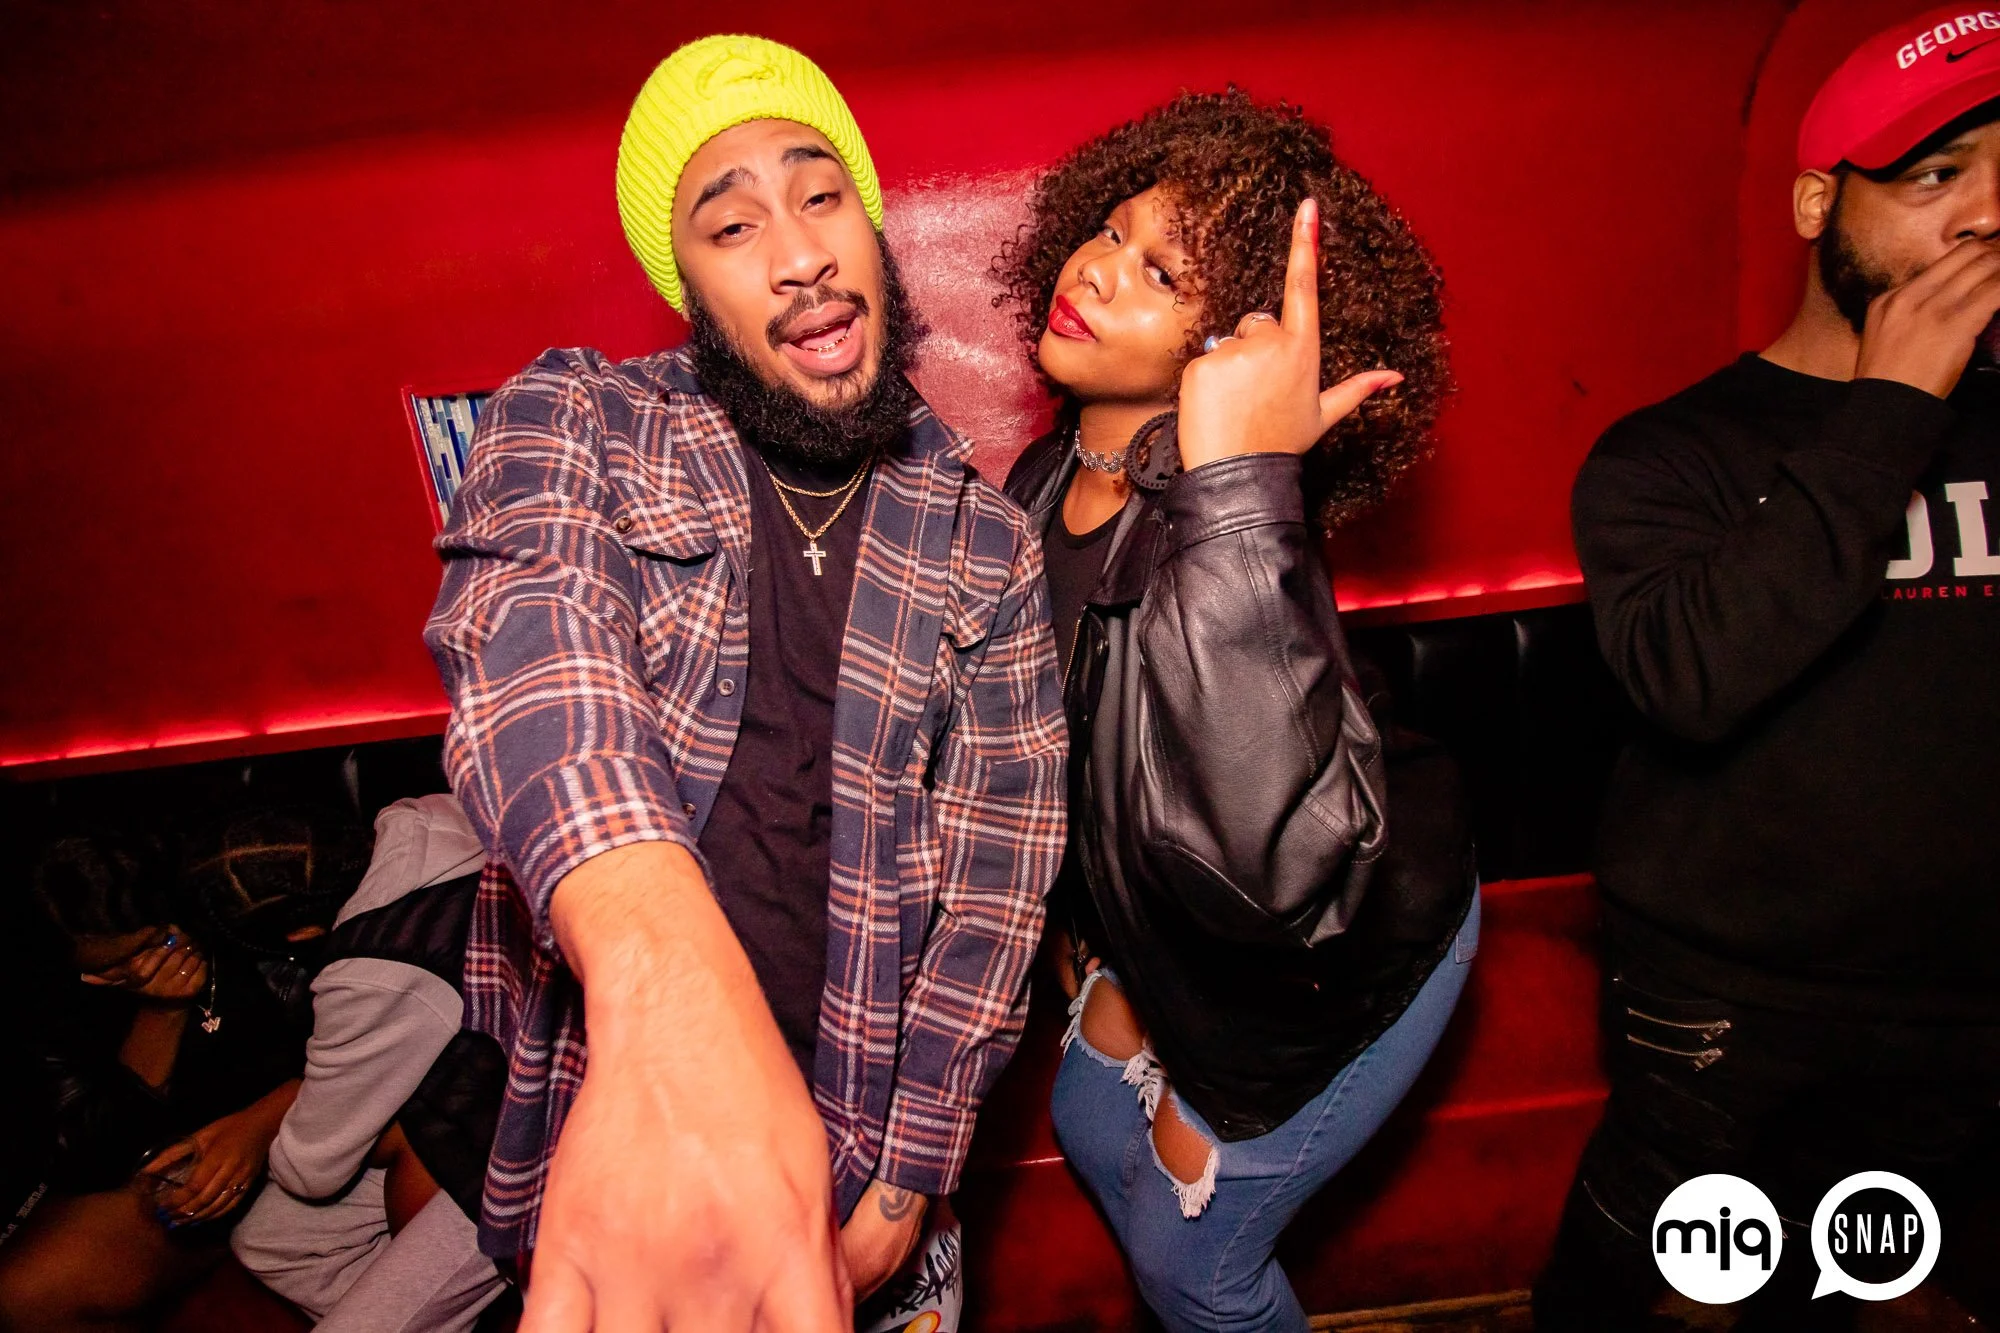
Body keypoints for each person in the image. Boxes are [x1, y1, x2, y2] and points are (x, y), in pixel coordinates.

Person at [423, 34, 1067, 1330]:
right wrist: (660, 981)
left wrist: (907, 1182)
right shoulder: (579, 421)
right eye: (732, 224)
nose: (798, 251)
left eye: (821, 195)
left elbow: (999, 878)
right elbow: (536, 648)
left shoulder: (985, 541)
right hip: (627, 1125)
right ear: (690, 288)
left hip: (861, 1154)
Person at [1536, 9, 2000, 1328]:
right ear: (1814, 204)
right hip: (1736, 1025)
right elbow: (1692, 678)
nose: (1984, 217)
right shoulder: (1670, 456)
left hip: (1972, 1025)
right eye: (1935, 175)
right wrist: (1889, 413)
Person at [993, 90, 1477, 1333]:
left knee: (1191, 1263)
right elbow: (1061, 741)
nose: (1096, 269)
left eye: (1159, 273)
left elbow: (1279, 871)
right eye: (1109, 230)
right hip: (1183, 931)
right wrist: (1088, 930)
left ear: (1228, 346)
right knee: (1086, 1118)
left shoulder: (1230, 532)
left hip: (1339, 953)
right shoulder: (1043, 478)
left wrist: (1241, 478)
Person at [0, 827, 317, 1333]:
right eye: (110, 970)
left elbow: (369, 1051)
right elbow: (95, 1152)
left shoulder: (248, 923)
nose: (140, 970)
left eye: (155, 947)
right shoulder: (58, 998)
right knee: (22, 1293)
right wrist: (160, 1014)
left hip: (306, 1130)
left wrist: (259, 1125)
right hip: (178, 1172)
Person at [230, 792, 509, 1333]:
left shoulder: (371, 969)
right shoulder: (420, 817)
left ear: (299, 936)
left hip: (525, 1143)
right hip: (482, 1092)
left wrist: (250, 1131)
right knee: (269, 1242)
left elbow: (313, 1171)